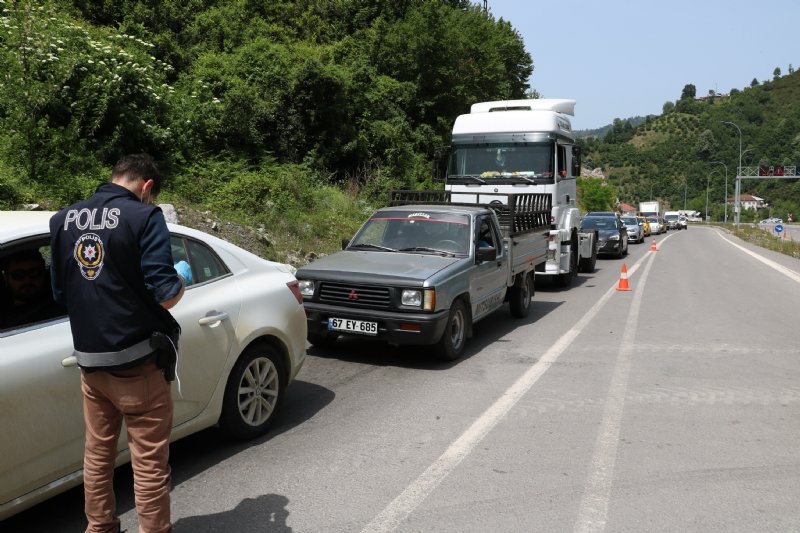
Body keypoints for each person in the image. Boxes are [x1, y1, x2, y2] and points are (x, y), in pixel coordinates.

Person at [50, 153, 191, 533]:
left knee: (97, 455)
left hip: (90, 365)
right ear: (147, 188)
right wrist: (181, 279)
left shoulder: (62, 220)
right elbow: (164, 294)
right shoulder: (145, 216)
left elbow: (61, 292)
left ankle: (100, 528)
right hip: (137, 366)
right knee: (148, 465)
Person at [0, 248, 65, 328]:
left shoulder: (62, 303)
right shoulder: (3, 318)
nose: (27, 280)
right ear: (6, 278)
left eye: (34, 273)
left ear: (43, 274)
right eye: (18, 275)